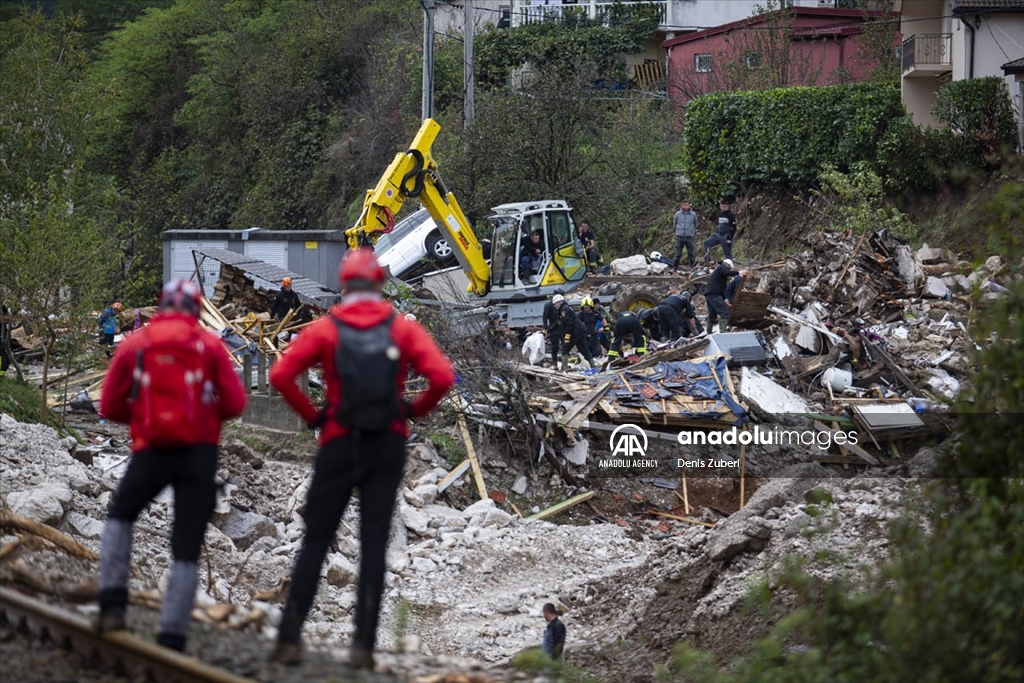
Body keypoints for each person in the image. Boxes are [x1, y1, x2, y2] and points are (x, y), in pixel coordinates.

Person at [268, 248, 454, 668]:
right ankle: (363, 649)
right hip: (385, 444)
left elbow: (279, 374)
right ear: (381, 284)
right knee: (373, 547)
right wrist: (412, 410)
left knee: (315, 541)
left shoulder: (326, 328)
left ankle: (288, 638)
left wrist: (314, 415)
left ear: (344, 285)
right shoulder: (401, 330)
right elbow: (443, 376)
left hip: (338, 440)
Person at [95, 280, 247, 652]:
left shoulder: (137, 343)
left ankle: (113, 604)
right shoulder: (210, 344)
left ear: (161, 306)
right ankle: (173, 634)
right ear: (197, 309)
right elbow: (236, 403)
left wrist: (143, 419)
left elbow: (109, 406)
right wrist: (205, 419)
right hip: (199, 454)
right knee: (186, 544)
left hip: (150, 451)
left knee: (121, 516)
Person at [704, 259, 751, 333]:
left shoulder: (720, 275)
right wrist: (738, 272)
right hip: (714, 294)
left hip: (709, 294)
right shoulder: (722, 267)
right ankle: (723, 332)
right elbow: (726, 272)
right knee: (724, 312)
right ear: (728, 265)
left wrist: (725, 299)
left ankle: (708, 332)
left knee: (712, 315)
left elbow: (722, 290)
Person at [552, 294, 594, 372]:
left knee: (565, 349)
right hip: (580, 331)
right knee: (585, 350)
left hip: (575, 333)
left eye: (555, 304)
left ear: (559, 302)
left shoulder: (564, 310)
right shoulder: (563, 309)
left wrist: (567, 335)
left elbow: (569, 323)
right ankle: (593, 367)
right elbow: (558, 323)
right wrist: (548, 330)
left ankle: (564, 369)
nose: (555, 306)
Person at [542, 288, 566, 366]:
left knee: (565, 345)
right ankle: (554, 363)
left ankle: (564, 363)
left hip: (562, 328)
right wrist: (546, 329)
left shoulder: (564, 304)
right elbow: (545, 317)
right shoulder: (548, 305)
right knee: (554, 347)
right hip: (553, 328)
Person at [672, 200, 698, 269]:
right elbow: (675, 224)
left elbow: (696, 224)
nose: (685, 207)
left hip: (689, 237)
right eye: (684, 205)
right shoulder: (678, 214)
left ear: (689, 205)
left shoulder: (693, 214)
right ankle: (675, 268)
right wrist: (678, 231)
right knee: (678, 254)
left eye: (687, 205)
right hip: (679, 237)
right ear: (681, 205)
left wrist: (691, 231)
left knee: (691, 254)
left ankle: (693, 268)